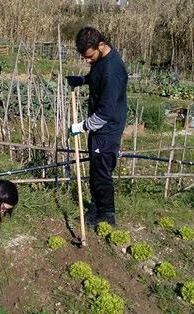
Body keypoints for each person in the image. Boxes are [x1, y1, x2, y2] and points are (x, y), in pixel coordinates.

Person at [66, 27, 128, 226]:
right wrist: (84, 80)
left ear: (101, 46)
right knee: (95, 169)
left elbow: (105, 113)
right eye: (84, 57)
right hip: (98, 127)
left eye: (89, 56)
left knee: (102, 172)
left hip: (107, 129)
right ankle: (96, 206)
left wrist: (82, 127)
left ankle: (107, 214)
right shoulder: (101, 59)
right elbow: (97, 77)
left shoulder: (113, 71)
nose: (87, 61)